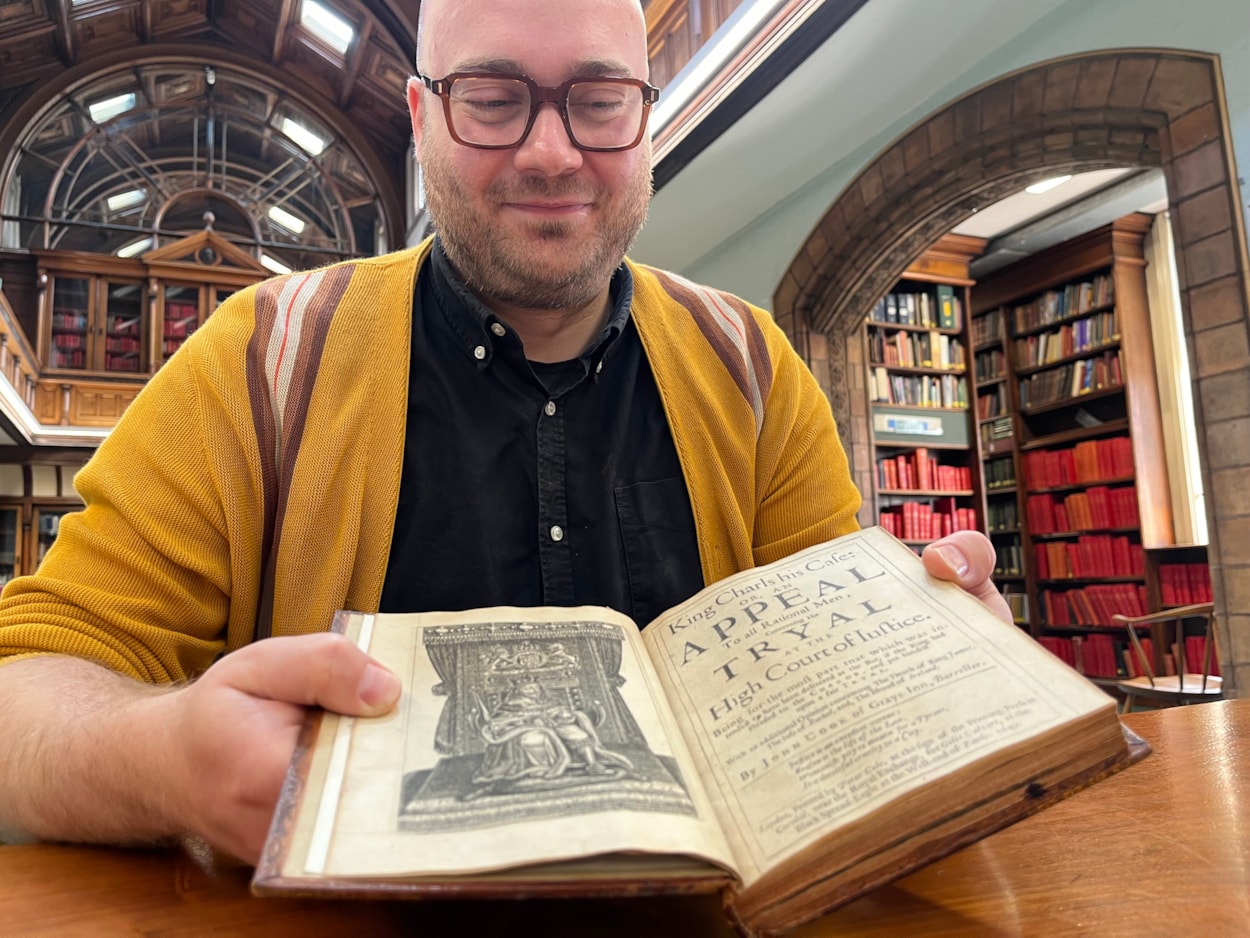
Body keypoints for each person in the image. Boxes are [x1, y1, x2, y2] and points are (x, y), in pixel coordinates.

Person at [0, 0, 1009, 865]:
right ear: (418, 115)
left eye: (599, 100)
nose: (549, 150)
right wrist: (165, 757)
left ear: (644, 116)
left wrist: (930, 665)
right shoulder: (256, 362)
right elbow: (23, 693)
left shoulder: (751, 369)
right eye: (491, 98)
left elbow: (838, 692)